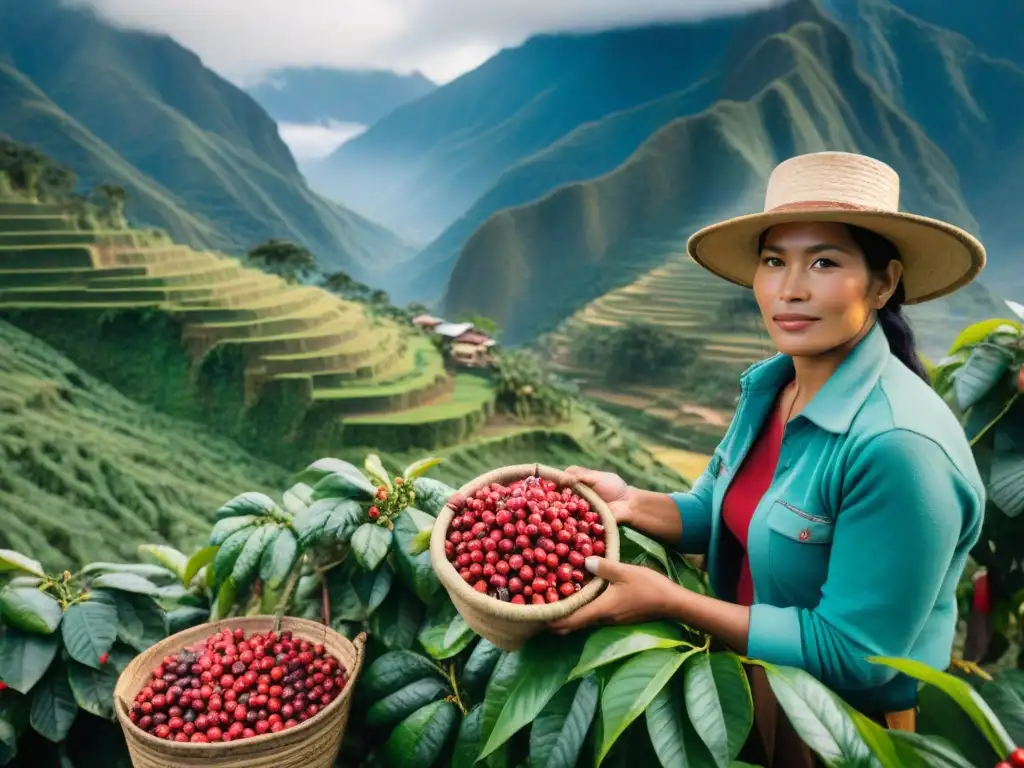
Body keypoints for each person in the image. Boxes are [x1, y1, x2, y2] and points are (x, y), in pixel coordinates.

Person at [548, 151, 987, 766]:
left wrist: (668, 600)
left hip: (841, 728)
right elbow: (718, 511)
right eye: (775, 261)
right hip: (749, 684)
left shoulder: (899, 448)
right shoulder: (773, 388)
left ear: (883, 283)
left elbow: (853, 653)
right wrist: (630, 502)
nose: (790, 289)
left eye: (825, 262)